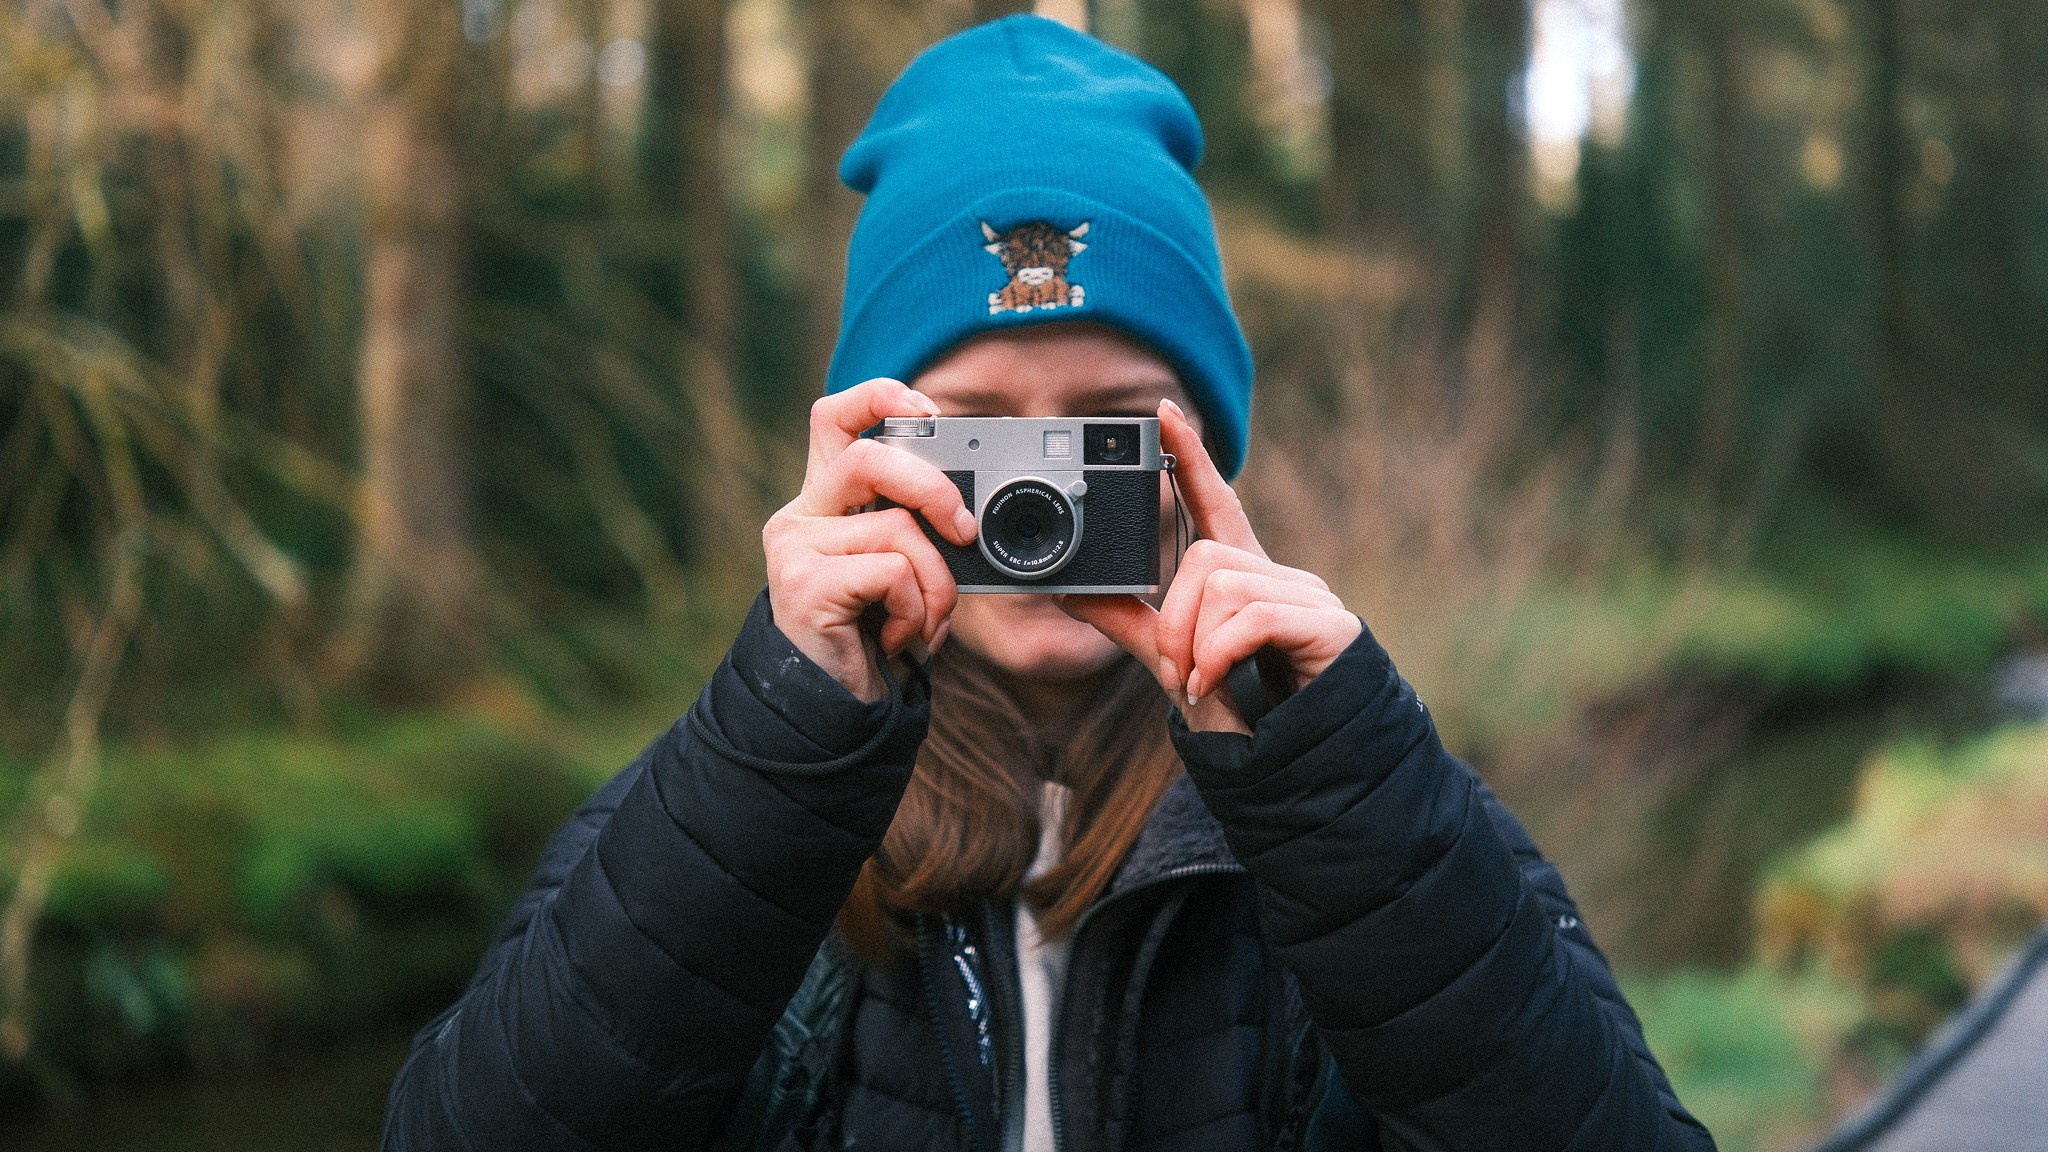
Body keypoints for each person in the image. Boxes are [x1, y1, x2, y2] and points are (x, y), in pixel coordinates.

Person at [383, 16, 1714, 1152]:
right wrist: (786, 729)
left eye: (1101, 434)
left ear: (1201, 456)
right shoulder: (743, 801)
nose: (1033, 498)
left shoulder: (1348, 800)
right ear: (866, 448)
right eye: (977, 435)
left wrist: (1330, 772)